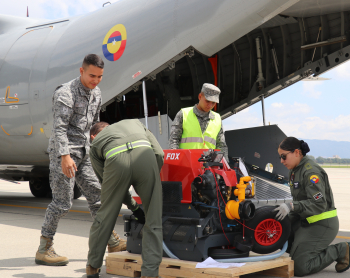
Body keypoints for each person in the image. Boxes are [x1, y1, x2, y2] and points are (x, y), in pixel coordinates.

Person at [36, 54, 138, 266]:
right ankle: (44, 248)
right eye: (92, 75)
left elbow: (94, 125)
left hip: (85, 153)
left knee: (98, 198)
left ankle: (110, 240)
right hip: (64, 154)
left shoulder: (96, 92)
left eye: (100, 76)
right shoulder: (65, 93)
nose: (96, 80)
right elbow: (59, 128)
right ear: (81, 71)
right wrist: (64, 157)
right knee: (62, 203)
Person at [85, 119, 164, 278]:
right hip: (145, 156)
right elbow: (159, 153)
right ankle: (149, 273)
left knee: (105, 216)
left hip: (115, 161)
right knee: (153, 219)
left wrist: (134, 207)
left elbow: (111, 188)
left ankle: (92, 268)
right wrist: (152, 177)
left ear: (93, 136)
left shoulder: (95, 145)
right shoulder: (135, 123)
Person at [273, 137, 350, 277]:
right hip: (304, 219)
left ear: (297, 152)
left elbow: (319, 204)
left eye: (283, 156)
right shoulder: (295, 169)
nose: (281, 161)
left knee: (299, 267)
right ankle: (301, 252)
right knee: (276, 232)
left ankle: (340, 250)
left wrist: (292, 206)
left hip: (320, 223)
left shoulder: (311, 172)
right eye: (280, 157)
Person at [168, 83, 228, 158]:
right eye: (207, 101)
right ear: (200, 96)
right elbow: (174, 140)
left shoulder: (217, 118)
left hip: (208, 166)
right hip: (186, 164)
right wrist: (177, 162)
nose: (210, 105)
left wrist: (224, 166)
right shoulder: (183, 114)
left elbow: (221, 146)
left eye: (213, 103)